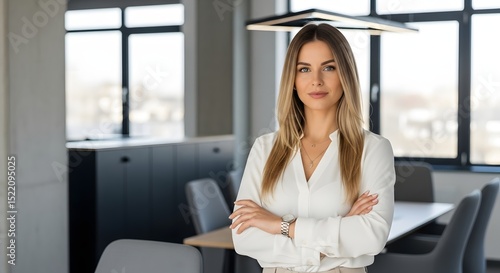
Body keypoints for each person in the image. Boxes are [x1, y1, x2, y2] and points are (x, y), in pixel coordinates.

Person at [229, 23, 395, 273]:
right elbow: (244, 238)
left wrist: (280, 226)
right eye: (304, 69)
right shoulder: (265, 148)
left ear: (345, 76)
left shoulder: (372, 149)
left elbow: (372, 236)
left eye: (329, 68)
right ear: (293, 80)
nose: (316, 81)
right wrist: (339, 231)